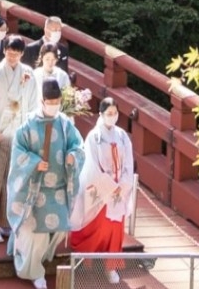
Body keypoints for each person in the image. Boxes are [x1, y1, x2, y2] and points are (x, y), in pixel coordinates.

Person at [6, 79, 84, 289]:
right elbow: (18, 151)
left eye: (57, 101)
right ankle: (33, 271)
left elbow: (79, 146)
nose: (54, 105)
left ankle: (39, 257)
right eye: (50, 101)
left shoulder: (66, 124)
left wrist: (73, 156)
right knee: (37, 233)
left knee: (58, 228)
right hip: (35, 189)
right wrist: (33, 163)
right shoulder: (28, 125)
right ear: (42, 101)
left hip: (58, 188)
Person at [0, 36, 40, 243]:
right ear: (4, 51)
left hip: (19, 133)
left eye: (17, 52)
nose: (12, 56)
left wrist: (29, 131)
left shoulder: (28, 73)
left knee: (16, 180)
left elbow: (33, 105)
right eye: (9, 51)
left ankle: (9, 222)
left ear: (22, 54)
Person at [69, 98, 136, 281]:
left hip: (119, 188)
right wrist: (108, 186)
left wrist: (123, 184)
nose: (112, 117)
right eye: (108, 114)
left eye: (115, 113)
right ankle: (88, 259)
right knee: (98, 226)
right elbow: (91, 165)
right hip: (102, 187)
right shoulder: (94, 136)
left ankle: (111, 266)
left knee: (115, 228)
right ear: (101, 114)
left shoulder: (122, 136)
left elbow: (129, 163)